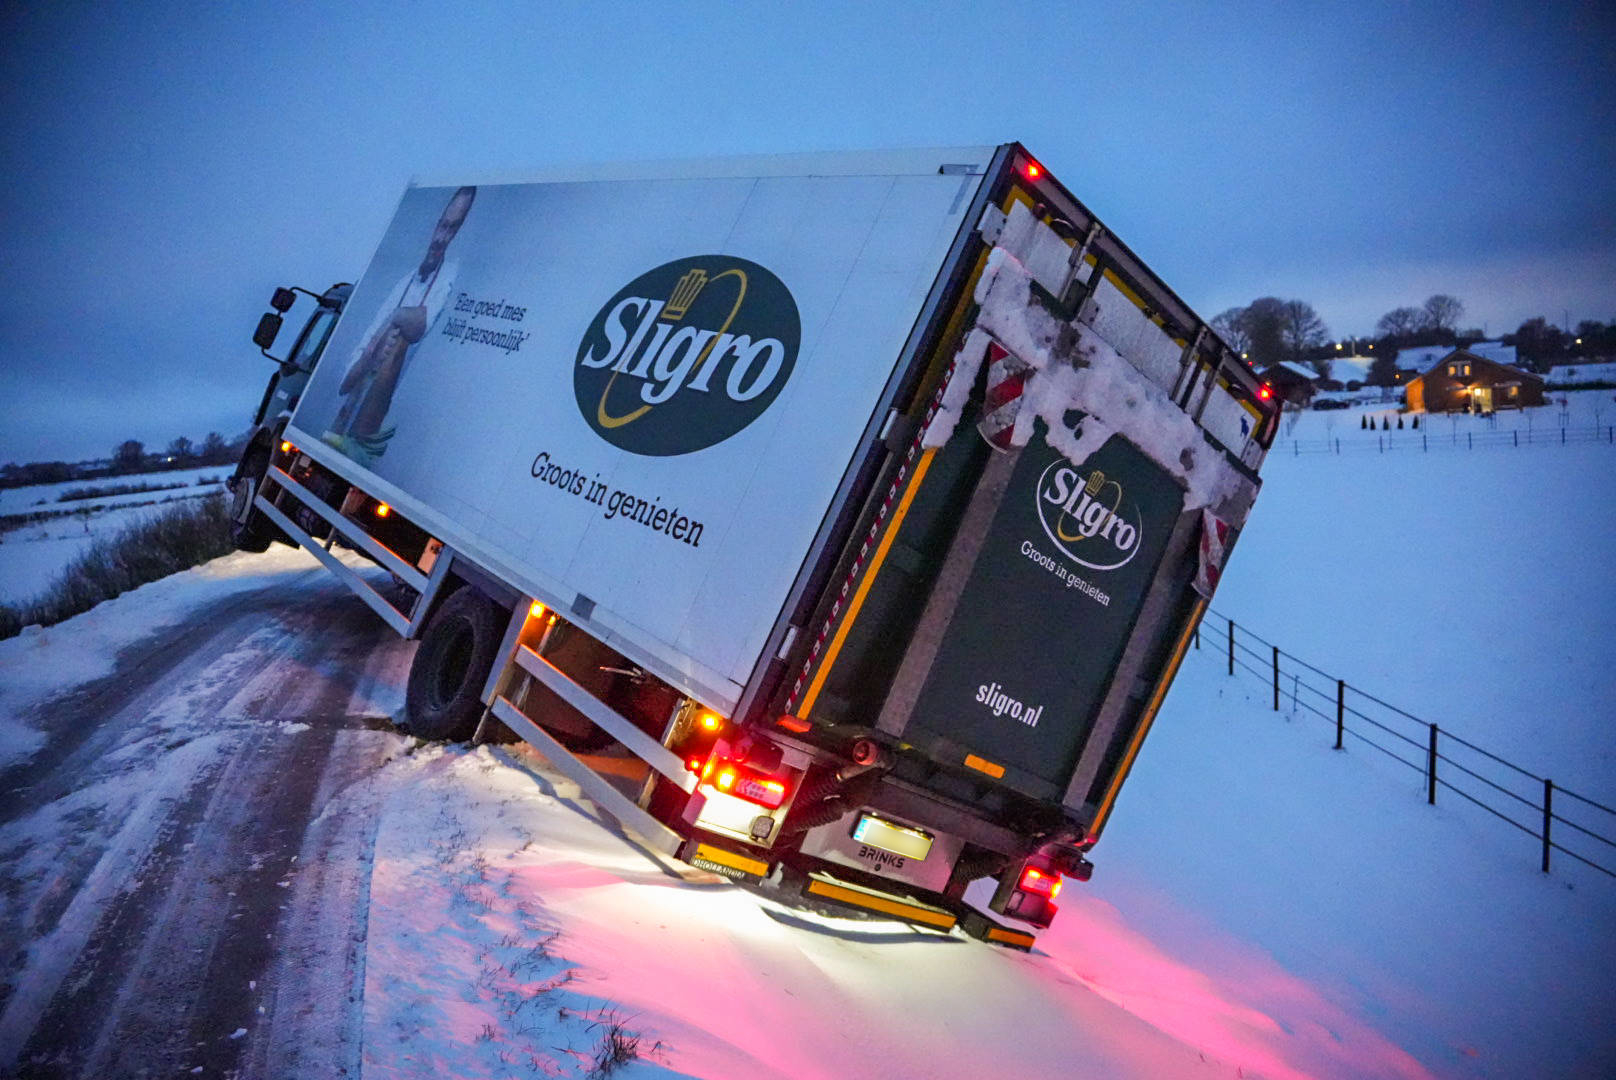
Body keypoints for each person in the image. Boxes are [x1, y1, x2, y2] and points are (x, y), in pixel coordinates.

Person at [324, 186, 476, 463]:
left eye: (453, 229)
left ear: (460, 233)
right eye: (442, 225)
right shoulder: (405, 281)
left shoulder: (450, 276)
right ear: (435, 223)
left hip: (372, 437)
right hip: (340, 428)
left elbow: (419, 325)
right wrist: (371, 355)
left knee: (400, 339)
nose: (441, 238)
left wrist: (394, 320)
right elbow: (345, 385)